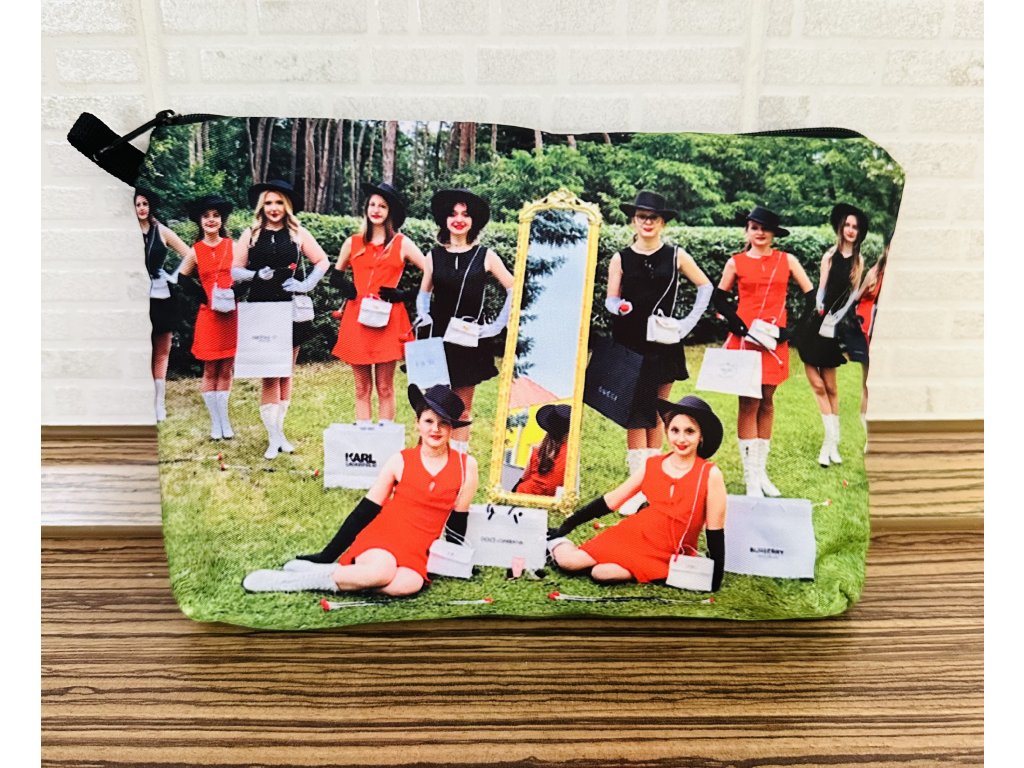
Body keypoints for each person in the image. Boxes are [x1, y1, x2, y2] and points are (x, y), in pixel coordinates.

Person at [242, 384, 480, 596]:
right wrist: (327, 554)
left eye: (443, 423)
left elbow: (458, 520)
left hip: (420, 547)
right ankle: (299, 580)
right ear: (417, 424)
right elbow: (366, 510)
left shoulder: (466, 466)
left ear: (452, 428)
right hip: (386, 535)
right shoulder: (400, 460)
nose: (435, 429)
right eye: (429, 421)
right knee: (381, 572)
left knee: (407, 585)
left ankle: (341, 574)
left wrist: (457, 561)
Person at [546, 395, 726, 591]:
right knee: (570, 562)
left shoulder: (710, 474)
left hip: (670, 552)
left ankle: (622, 563)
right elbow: (612, 500)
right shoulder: (653, 464)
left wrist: (715, 577)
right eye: (675, 430)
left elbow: (715, 530)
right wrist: (568, 524)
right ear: (667, 431)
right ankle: (555, 543)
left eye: (689, 431)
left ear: (701, 435)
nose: (681, 439)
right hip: (633, 534)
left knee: (602, 573)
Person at [604, 191, 713, 514]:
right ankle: (634, 488)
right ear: (633, 221)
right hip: (630, 340)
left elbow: (705, 287)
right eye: (641, 217)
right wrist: (619, 307)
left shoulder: (677, 255)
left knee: (657, 410)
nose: (647, 222)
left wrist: (686, 324)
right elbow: (610, 299)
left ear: (662, 222)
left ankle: (653, 485)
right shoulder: (620, 258)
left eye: (653, 217)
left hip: (664, 341)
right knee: (633, 412)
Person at [713, 206, 815, 497]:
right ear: (747, 231)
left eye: (765, 228)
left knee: (768, 400)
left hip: (773, 341)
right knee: (748, 402)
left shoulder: (787, 260)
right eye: (754, 227)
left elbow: (811, 296)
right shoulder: (735, 262)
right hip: (746, 340)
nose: (759, 233)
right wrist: (736, 324)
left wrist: (792, 331)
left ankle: (761, 473)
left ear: (773, 234)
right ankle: (750, 479)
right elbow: (719, 298)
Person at [233, 180, 331, 459]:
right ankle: (273, 438)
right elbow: (234, 270)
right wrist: (255, 275)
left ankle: (280, 433)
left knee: (286, 371)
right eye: (268, 202)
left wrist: (306, 284)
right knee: (269, 373)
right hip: (262, 307)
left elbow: (322, 261)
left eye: (278, 202)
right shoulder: (251, 234)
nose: (273, 208)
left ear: (286, 206)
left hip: (291, 309)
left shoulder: (297, 232)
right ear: (261, 206)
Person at [414, 188, 515, 453]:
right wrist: (423, 314)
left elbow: (514, 288)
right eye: (453, 214)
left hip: (469, 339)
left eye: (465, 214)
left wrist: (496, 325)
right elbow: (424, 292)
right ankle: (429, 458)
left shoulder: (486, 255)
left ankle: (458, 460)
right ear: (444, 219)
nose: (459, 219)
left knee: (462, 407)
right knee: (432, 405)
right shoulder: (433, 256)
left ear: (474, 221)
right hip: (438, 340)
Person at [330, 182, 426, 427]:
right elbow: (336, 275)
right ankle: (364, 437)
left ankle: (385, 438)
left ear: (390, 211)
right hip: (357, 317)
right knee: (362, 387)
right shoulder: (352, 242)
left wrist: (405, 294)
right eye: (372, 205)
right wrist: (346, 286)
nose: (376, 210)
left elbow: (432, 273)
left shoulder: (402, 243)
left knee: (385, 386)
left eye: (382, 206)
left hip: (388, 318)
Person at [798, 203, 870, 467]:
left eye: (855, 227)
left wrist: (837, 317)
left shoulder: (858, 261)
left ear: (859, 232)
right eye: (847, 225)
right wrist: (820, 308)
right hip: (815, 323)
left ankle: (832, 445)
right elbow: (821, 289)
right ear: (841, 228)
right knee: (817, 385)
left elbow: (852, 295)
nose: (850, 230)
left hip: (835, 324)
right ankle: (828, 443)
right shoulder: (829, 255)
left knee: (831, 386)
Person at [170, 195, 238, 441]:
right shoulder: (196, 250)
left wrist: (237, 292)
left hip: (231, 314)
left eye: (216, 216)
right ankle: (215, 423)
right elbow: (182, 278)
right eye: (206, 216)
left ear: (222, 220)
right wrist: (203, 296)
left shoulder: (233, 246)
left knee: (227, 368)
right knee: (210, 369)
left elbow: (244, 273)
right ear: (200, 221)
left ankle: (225, 421)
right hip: (209, 315)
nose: (211, 220)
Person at [135, 188, 192, 423]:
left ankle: (159, 404)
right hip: (134, 298)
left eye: (145, 204)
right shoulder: (124, 232)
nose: (141, 208)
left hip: (160, 296)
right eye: (137, 204)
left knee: (161, 351)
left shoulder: (161, 231)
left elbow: (190, 254)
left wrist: (174, 276)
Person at [512, 404, 570, 497]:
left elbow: (524, 476)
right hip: (547, 500)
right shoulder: (571, 453)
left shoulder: (538, 448)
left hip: (524, 493)